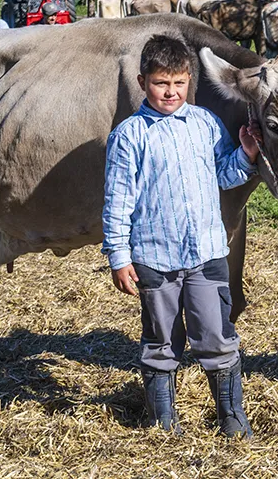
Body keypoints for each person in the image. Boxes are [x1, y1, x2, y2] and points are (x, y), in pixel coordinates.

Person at [101, 35, 260, 438]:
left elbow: (224, 175)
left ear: (190, 80)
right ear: (142, 82)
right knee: (161, 339)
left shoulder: (205, 123)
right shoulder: (129, 135)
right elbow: (118, 202)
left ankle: (231, 416)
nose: (171, 92)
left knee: (217, 334)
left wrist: (243, 155)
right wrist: (119, 256)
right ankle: (162, 420)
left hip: (206, 253)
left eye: (178, 83)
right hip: (155, 258)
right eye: (160, 83)